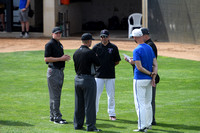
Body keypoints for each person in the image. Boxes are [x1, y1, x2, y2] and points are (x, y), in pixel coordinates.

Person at [128, 29, 158, 132]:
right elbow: (155, 64)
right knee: (147, 103)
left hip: (140, 79)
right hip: (149, 80)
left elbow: (139, 67)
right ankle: (148, 124)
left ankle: (141, 126)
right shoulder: (149, 47)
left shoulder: (137, 50)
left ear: (135, 38)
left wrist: (150, 74)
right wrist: (153, 76)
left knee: (139, 103)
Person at [73, 33, 101, 132]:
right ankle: (91, 126)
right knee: (90, 104)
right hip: (88, 80)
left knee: (78, 103)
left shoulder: (76, 52)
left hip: (77, 79)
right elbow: (98, 63)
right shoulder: (90, 53)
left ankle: (78, 125)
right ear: (89, 41)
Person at [92, 29, 121, 121]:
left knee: (111, 95)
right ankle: (94, 113)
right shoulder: (96, 47)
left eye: (105, 36)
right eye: (102, 36)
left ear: (108, 37)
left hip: (110, 75)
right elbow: (92, 60)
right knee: (96, 95)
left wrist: (109, 66)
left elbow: (117, 61)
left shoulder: (113, 47)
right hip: (98, 75)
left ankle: (112, 113)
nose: (103, 38)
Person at [44, 27, 71, 124]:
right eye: (57, 33)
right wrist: (60, 59)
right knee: (55, 96)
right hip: (54, 71)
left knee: (55, 95)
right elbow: (46, 59)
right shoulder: (50, 44)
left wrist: (64, 58)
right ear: (52, 34)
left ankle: (52, 116)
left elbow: (59, 58)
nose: (59, 34)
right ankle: (57, 117)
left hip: (59, 71)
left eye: (60, 33)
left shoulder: (59, 44)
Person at [141, 28, 160, 125]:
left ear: (145, 36)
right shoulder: (149, 45)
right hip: (150, 74)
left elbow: (149, 62)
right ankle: (148, 119)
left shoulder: (150, 45)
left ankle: (151, 119)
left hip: (150, 75)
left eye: (141, 36)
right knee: (147, 99)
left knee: (149, 99)